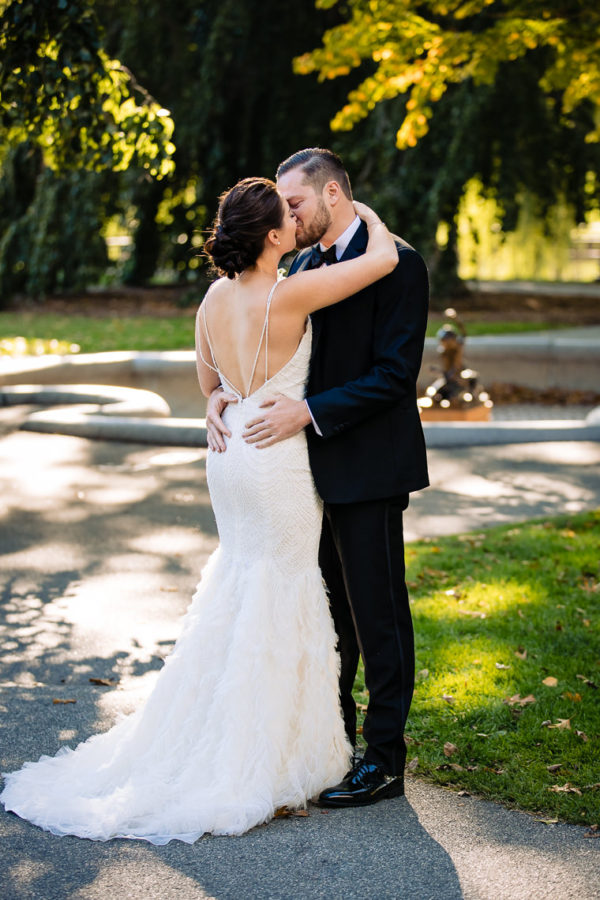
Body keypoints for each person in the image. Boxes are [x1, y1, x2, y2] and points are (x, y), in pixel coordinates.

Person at [0, 177, 398, 843]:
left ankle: (226, 736)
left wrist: (217, 404)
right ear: (274, 237)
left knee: (242, 580)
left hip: (231, 449)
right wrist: (365, 211)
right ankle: (269, 757)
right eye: (288, 217)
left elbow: (207, 384)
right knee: (285, 590)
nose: (298, 222)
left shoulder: (214, 298)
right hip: (276, 459)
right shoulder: (290, 291)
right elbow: (381, 260)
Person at [206, 149, 429, 808]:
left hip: (367, 467)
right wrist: (221, 394)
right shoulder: (298, 268)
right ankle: (330, 743)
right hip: (295, 479)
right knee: (326, 616)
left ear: (333, 195)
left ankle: (385, 759)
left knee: (377, 616)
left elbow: (394, 374)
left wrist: (309, 412)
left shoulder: (402, 265)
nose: (286, 214)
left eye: (295, 202)